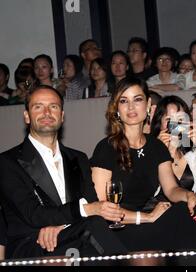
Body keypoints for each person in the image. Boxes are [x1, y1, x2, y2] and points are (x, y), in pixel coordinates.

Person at [0, 85, 127, 259]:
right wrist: (84, 211)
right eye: (38, 107)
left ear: (62, 116)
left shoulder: (78, 158)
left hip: (74, 236)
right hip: (33, 243)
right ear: (27, 117)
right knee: (94, 226)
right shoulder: (7, 162)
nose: (46, 112)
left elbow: (91, 203)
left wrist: (62, 226)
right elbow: (33, 214)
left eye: (53, 106)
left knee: (113, 232)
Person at [90, 77, 196, 251]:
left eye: (137, 99)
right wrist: (145, 217)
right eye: (124, 101)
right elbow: (103, 207)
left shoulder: (156, 146)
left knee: (184, 211)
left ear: (148, 106)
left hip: (148, 220)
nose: (131, 107)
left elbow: (171, 189)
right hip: (117, 227)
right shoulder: (106, 148)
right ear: (117, 109)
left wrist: (190, 196)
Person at [151, 95, 196, 247]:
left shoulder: (190, 153)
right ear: (159, 124)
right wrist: (165, 153)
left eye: (180, 120)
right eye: (169, 120)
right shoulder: (150, 151)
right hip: (159, 216)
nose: (175, 126)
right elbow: (151, 190)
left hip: (188, 215)